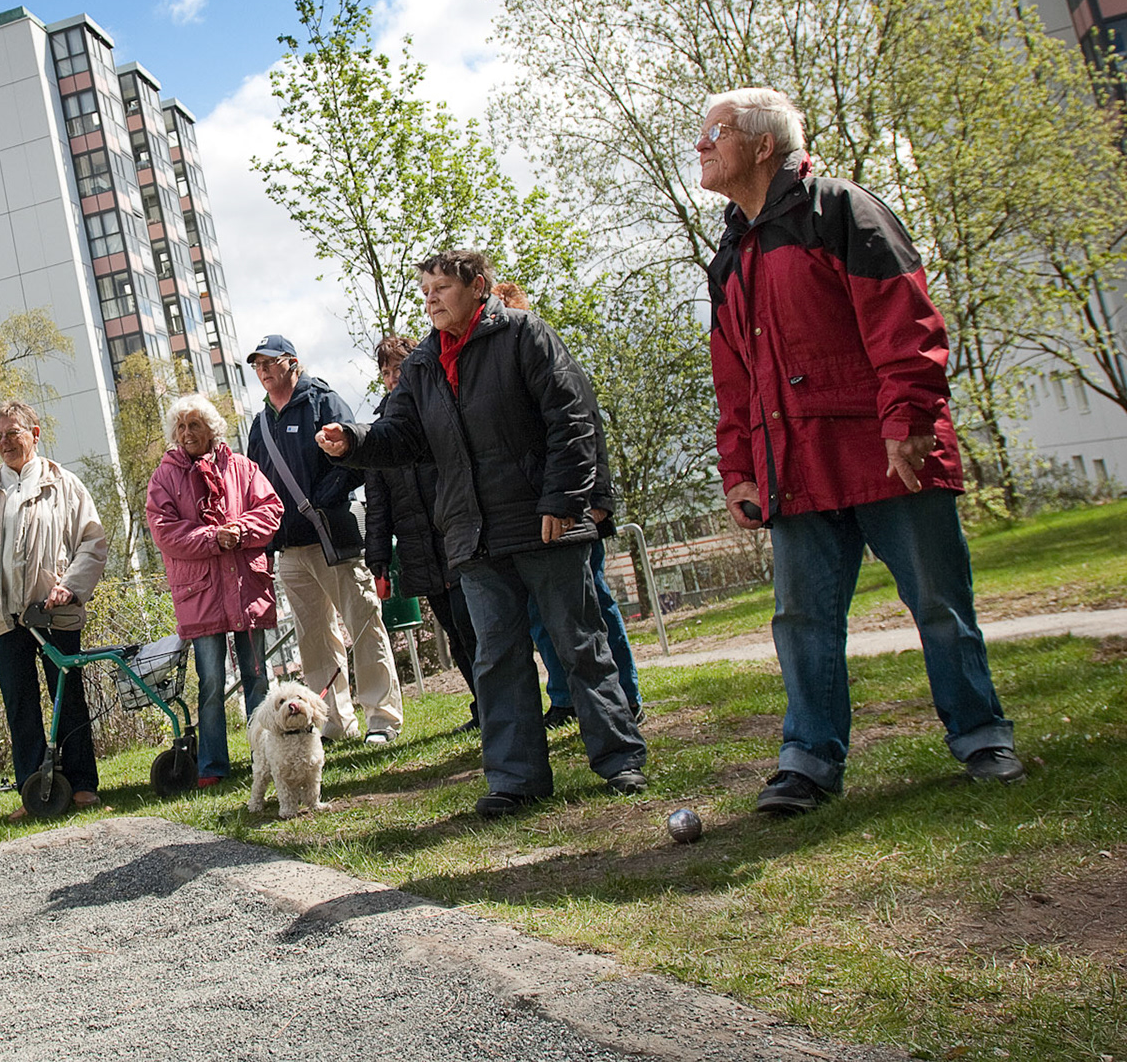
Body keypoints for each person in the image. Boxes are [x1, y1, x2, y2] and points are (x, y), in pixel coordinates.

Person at [699, 87, 1022, 815]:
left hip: (886, 454)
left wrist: (908, 419)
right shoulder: (731, 251)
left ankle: (980, 735)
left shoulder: (842, 209)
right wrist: (739, 467)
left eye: (714, 131)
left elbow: (904, 319)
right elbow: (734, 378)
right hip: (794, 466)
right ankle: (808, 760)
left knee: (939, 602)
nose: (702, 145)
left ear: (761, 144)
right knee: (802, 620)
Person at [319, 251, 648, 818]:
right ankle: (516, 780)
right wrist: (355, 442)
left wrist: (564, 501)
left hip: (545, 525)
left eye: (442, 287)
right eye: (425, 290)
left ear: (479, 288)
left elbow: (571, 418)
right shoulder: (423, 364)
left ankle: (620, 760)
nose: (431, 298)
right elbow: (403, 437)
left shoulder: (526, 335)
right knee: (496, 658)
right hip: (471, 537)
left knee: (580, 645)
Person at [486, 281, 644, 732]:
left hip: (576, 510)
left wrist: (597, 503)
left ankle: (625, 698)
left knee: (593, 609)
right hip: (530, 518)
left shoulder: (550, 357)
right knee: (541, 617)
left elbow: (585, 431)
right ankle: (564, 698)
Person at [0, 401, 110, 815]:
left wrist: (71, 588)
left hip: (56, 612)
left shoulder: (65, 484)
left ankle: (81, 785)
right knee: (19, 702)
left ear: (34, 434)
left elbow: (92, 542)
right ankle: (30, 790)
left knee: (67, 695)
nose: (5, 443)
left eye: (13, 433)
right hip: (4, 618)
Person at [243, 335, 404, 745]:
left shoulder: (323, 402)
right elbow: (255, 485)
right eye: (256, 365)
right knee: (313, 640)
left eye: (269, 362)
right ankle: (333, 724)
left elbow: (356, 456)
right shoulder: (260, 423)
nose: (262, 371)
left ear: (291, 363)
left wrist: (321, 501)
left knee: (363, 626)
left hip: (335, 539)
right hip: (291, 550)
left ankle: (382, 721)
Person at [145, 392, 285, 785]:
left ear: (212, 429)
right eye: (182, 426)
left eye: (196, 425)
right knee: (210, 682)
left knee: (257, 675)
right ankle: (212, 766)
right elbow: (164, 531)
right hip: (201, 594)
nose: (188, 433)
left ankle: (268, 758)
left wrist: (240, 531)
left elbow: (271, 509)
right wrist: (212, 538)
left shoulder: (241, 467)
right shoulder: (165, 476)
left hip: (244, 586)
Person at [366, 335, 479, 731]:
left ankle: (501, 707)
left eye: (399, 368)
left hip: (457, 539)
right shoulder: (378, 428)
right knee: (455, 633)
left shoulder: (439, 406)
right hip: (418, 548)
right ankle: (483, 708)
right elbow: (377, 501)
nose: (393, 377)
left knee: (476, 627)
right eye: (386, 371)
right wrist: (377, 560)